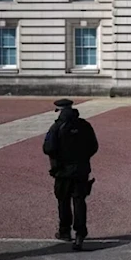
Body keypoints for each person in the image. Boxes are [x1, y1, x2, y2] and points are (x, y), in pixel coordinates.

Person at [42, 98, 98, 251]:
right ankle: (80, 233)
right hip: (81, 169)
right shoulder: (84, 125)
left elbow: (48, 148)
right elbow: (94, 146)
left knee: (63, 201)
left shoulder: (56, 127)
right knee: (79, 201)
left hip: (62, 171)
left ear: (59, 110)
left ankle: (64, 230)